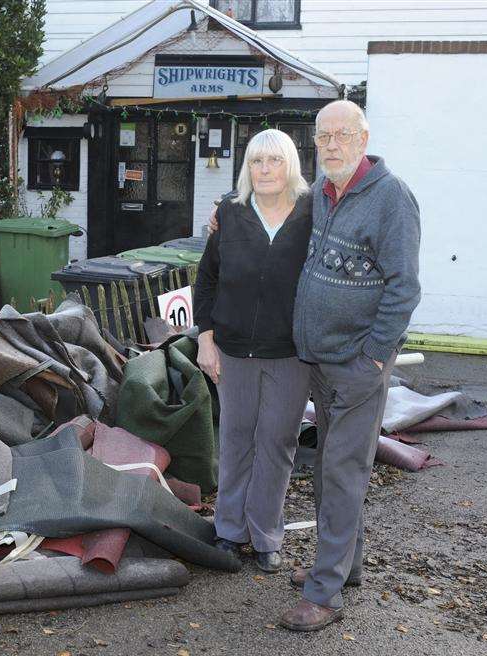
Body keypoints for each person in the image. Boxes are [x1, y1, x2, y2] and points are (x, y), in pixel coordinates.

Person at [208, 100, 422, 632]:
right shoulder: (326, 197)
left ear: (363, 137)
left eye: (342, 136)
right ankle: (344, 567)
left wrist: (374, 353)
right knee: (333, 467)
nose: (330, 145)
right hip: (320, 361)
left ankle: (323, 594)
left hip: (357, 364)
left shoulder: (391, 198)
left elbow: (404, 287)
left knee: (342, 471)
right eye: (323, 136)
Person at [193, 128, 312, 573]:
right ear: (247, 168)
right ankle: (228, 531)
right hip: (233, 348)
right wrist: (205, 338)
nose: (265, 170)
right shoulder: (231, 212)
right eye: (257, 162)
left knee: (277, 441)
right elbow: (206, 280)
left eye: (274, 161)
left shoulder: (312, 212)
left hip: (291, 352)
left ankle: (265, 534)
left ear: (291, 166)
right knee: (236, 438)